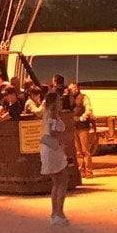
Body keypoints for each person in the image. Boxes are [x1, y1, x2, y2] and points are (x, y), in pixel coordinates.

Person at [40, 90, 70, 225]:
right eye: (58, 100)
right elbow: (52, 133)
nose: (61, 102)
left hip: (50, 147)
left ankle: (55, 213)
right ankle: (59, 212)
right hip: (53, 149)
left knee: (57, 182)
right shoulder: (52, 115)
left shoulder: (50, 115)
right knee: (62, 180)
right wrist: (62, 139)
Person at [68, 82, 96, 177]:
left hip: (83, 127)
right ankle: (82, 171)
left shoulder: (84, 97)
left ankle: (89, 172)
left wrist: (83, 117)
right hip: (74, 127)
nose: (72, 90)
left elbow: (89, 109)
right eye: (71, 89)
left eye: (74, 88)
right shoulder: (69, 99)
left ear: (77, 88)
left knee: (85, 150)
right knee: (78, 152)